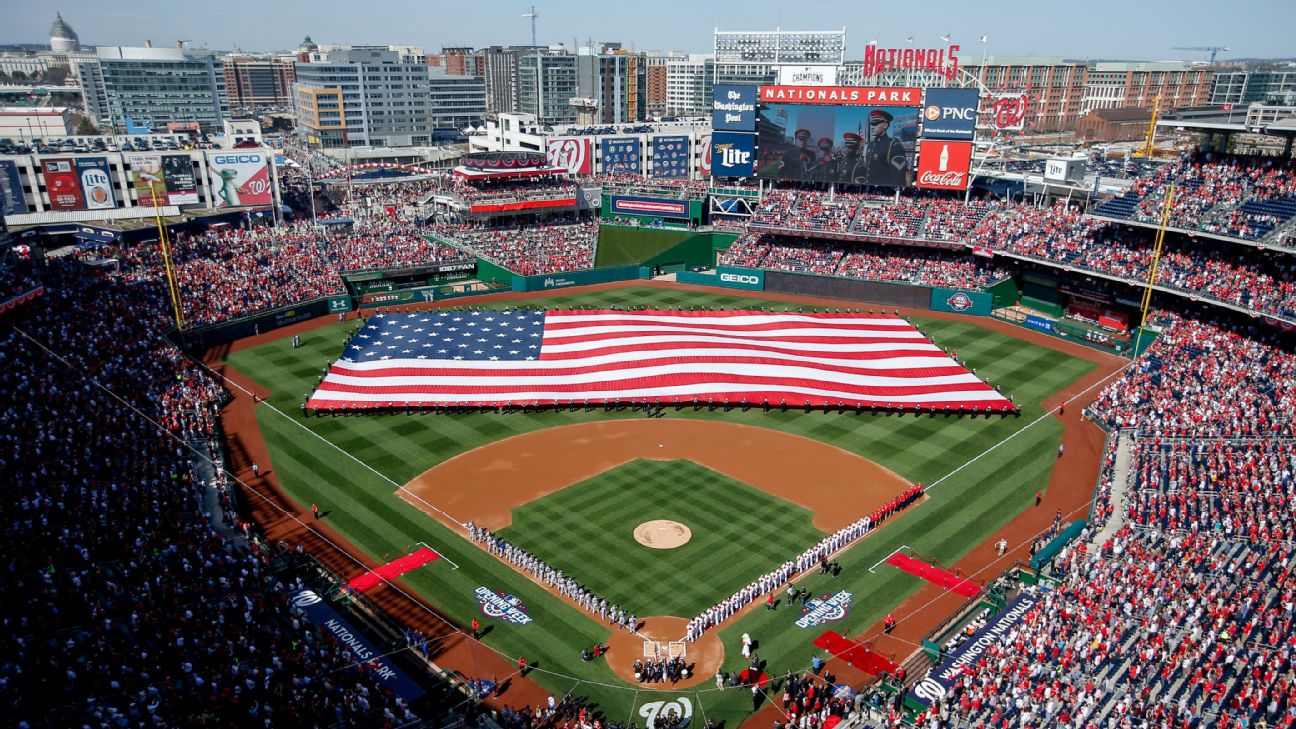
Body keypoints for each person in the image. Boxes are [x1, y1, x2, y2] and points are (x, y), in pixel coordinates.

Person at [862, 109, 908, 187]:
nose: (872, 127)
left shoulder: (893, 145)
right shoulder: (871, 145)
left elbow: (897, 178)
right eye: (872, 124)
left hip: (884, 190)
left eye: (875, 124)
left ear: (885, 125)